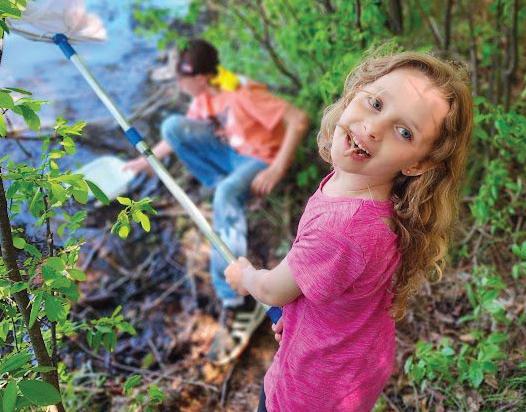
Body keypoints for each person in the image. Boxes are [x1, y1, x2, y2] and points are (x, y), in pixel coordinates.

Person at [225, 51, 473, 411]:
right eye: (376, 103)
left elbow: (272, 290)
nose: (373, 129)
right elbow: (344, 284)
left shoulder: (342, 228)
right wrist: (300, 319)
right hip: (353, 361)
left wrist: (245, 276)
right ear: (356, 92)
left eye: (404, 132)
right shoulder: (364, 191)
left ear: (418, 163)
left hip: (312, 389)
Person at [124, 39, 309, 364]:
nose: (179, 84)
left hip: (258, 159)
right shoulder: (205, 95)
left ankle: (237, 302)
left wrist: (278, 168)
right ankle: (228, 192)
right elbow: (176, 137)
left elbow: (299, 119)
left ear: (200, 77)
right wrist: (144, 163)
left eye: (182, 78)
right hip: (231, 155)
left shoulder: (241, 92)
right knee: (172, 126)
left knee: (225, 194)